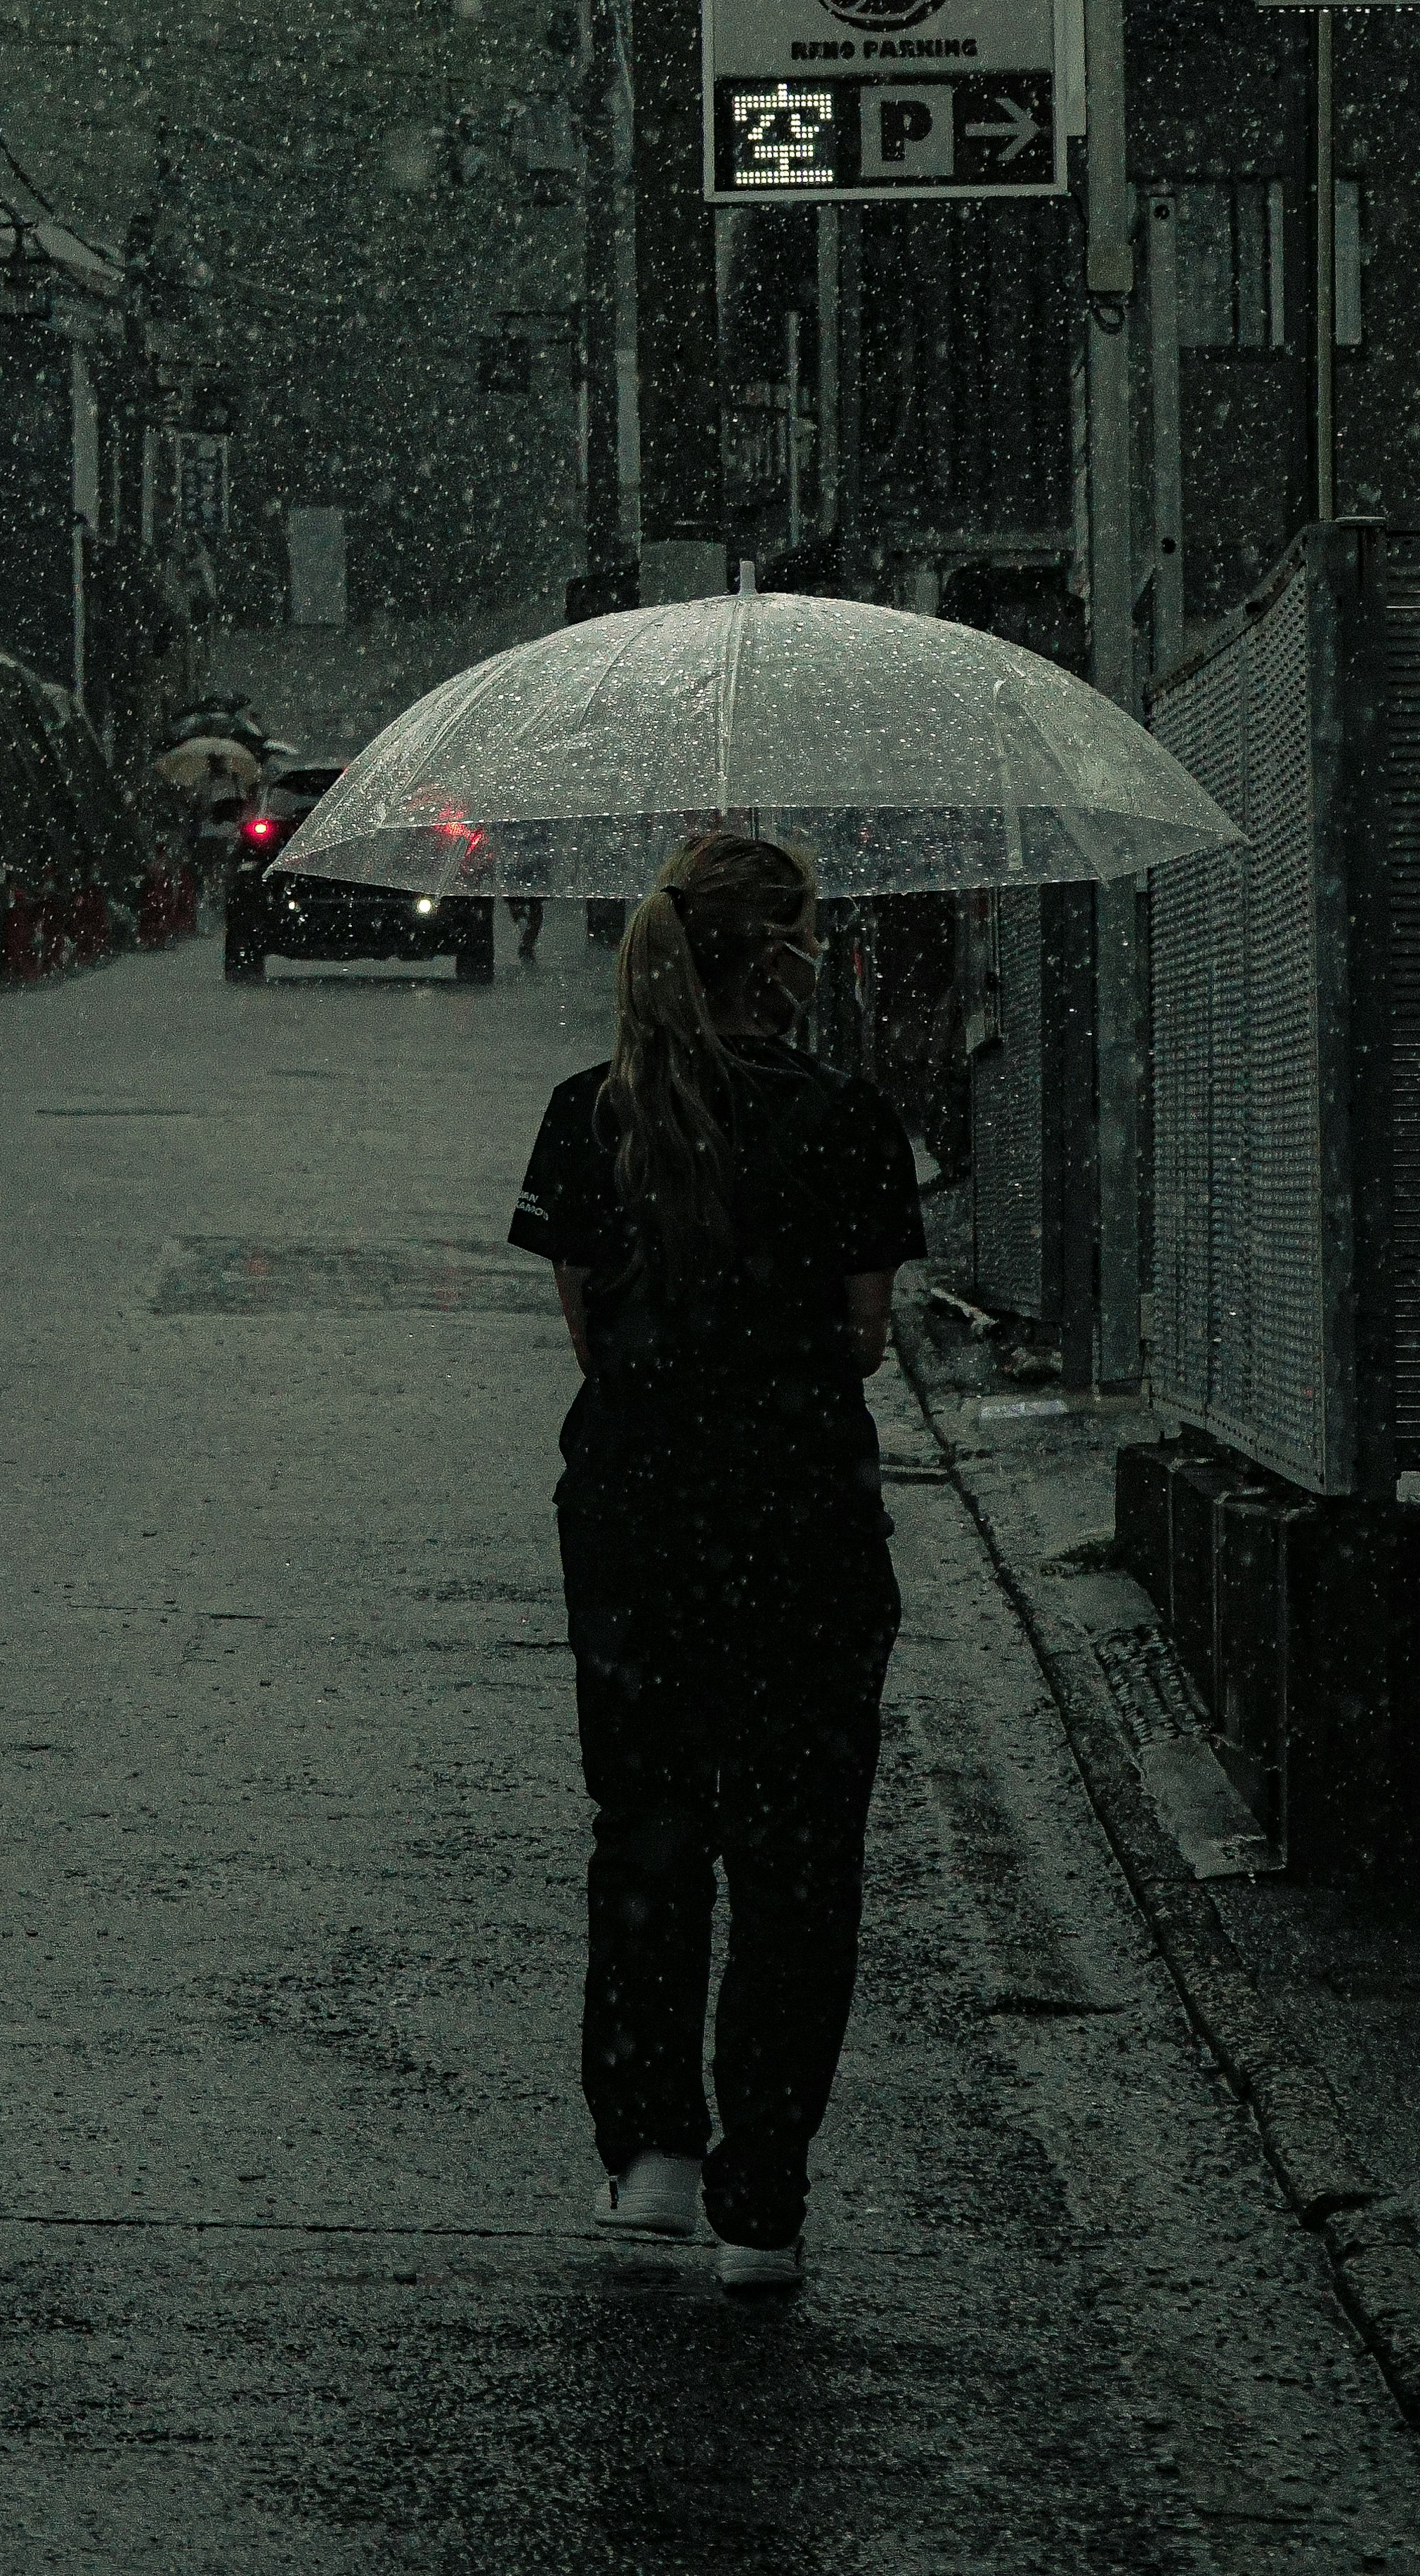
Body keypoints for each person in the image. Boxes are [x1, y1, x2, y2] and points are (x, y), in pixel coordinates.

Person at [507, 826, 920, 2299]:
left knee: (651, 1827)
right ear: (783, 955)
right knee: (799, 1859)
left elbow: (588, 1333)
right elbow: (864, 1338)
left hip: (636, 1520)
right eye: (812, 932)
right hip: (802, 1523)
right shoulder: (851, 1121)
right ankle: (764, 2196)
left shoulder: (588, 1117)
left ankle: (655, 2154)